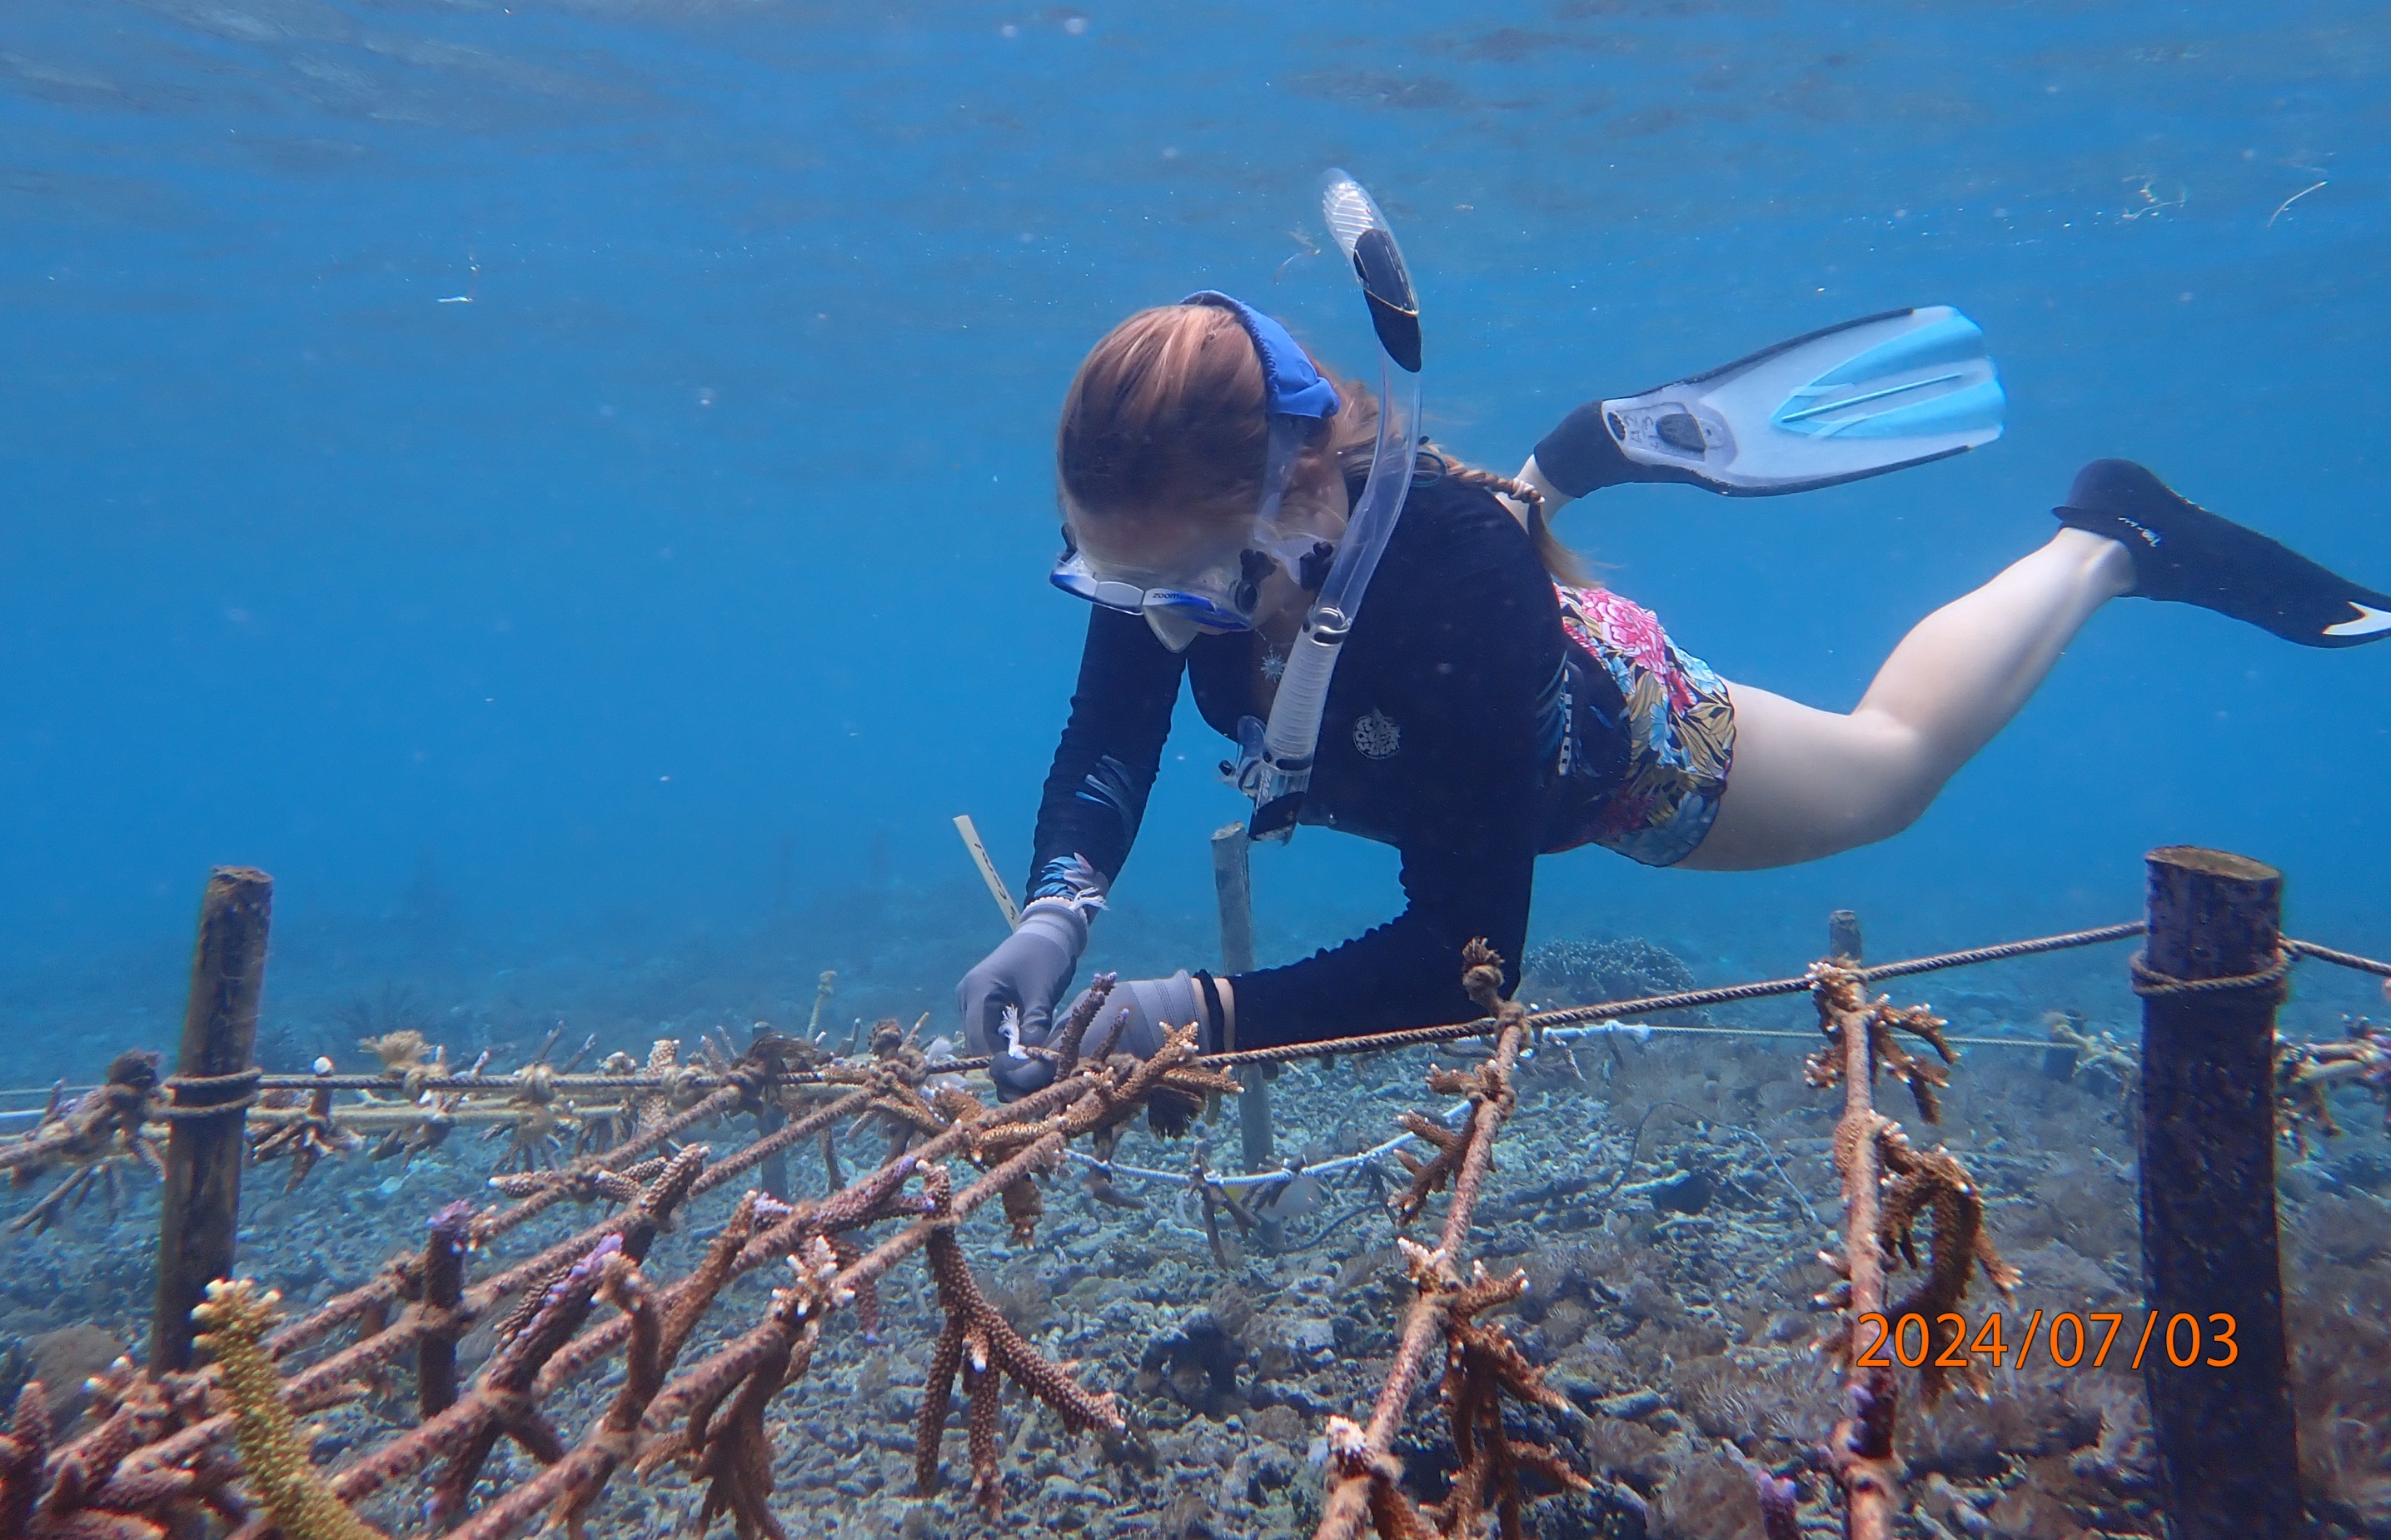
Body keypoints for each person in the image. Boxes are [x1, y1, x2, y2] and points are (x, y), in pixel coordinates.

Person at [956, 293, 2389, 1087]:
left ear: (1302, 487)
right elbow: (1112, 729)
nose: (1166, 629)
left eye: (1194, 595)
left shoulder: (1450, 575)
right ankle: (1565, 467)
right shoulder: (1169, 540)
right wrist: (1056, 907)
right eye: (1122, 592)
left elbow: (1468, 955)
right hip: (1440, 697)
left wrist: (1206, 1007)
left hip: (1612, 741)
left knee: (1889, 769)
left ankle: (2105, 538)